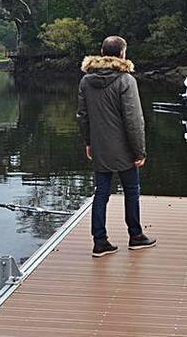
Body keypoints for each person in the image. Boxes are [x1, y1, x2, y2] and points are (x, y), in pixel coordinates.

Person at [77, 36, 156, 257]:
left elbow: (82, 116)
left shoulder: (86, 81)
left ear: (102, 52)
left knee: (101, 193)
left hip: (101, 147)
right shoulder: (126, 80)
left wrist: (89, 142)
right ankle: (136, 236)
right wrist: (139, 151)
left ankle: (100, 242)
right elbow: (134, 119)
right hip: (124, 149)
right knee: (132, 190)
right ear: (122, 54)